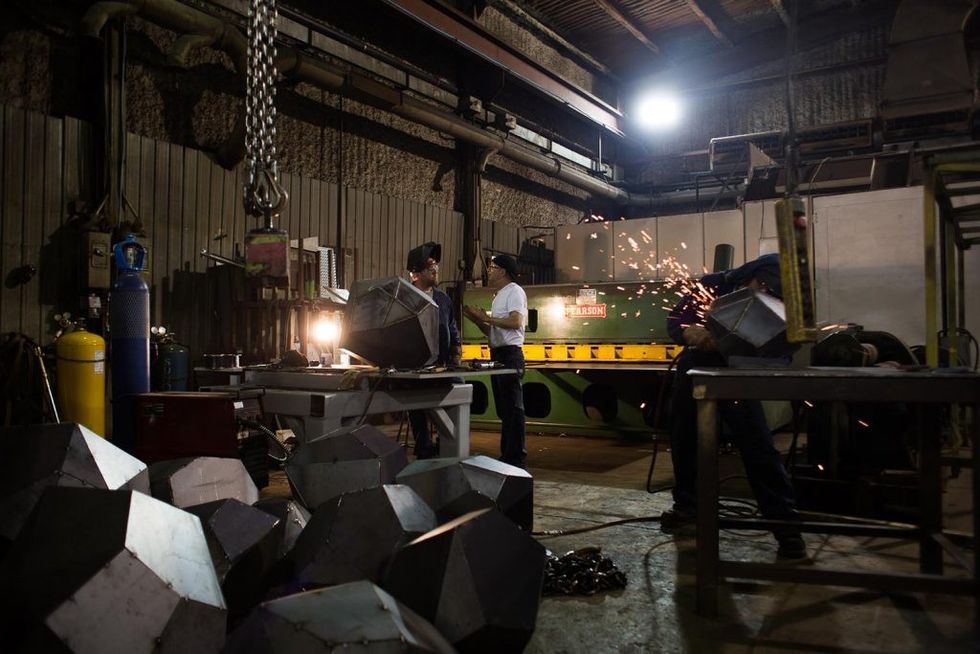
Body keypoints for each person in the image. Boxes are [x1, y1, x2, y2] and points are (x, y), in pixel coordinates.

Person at [663, 253, 807, 560]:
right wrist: (694, 333)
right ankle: (688, 508)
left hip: (737, 377)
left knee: (758, 446)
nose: (767, 295)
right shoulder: (715, 285)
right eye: (764, 287)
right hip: (697, 372)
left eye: (774, 292)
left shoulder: (780, 301)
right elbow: (675, 320)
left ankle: (786, 526)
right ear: (751, 275)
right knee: (687, 442)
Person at [463, 254, 528, 469]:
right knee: (504, 409)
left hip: (510, 355)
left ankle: (516, 458)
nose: (488, 270)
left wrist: (487, 318)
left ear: (502, 271)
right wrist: (476, 320)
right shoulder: (498, 295)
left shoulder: (515, 291)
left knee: (513, 408)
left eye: (492, 267)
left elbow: (516, 321)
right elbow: (493, 329)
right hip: (499, 354)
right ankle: (507, 455)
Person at [406, 241, 462, 459]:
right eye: (430, 267)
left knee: (459, 391)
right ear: (416, 273)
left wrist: (456, 356)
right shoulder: (407, 298)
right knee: (417, 401)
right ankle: (424, 446)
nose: (436, 269)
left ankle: (447, 443)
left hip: (442, 366)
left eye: (436, 266)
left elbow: (452, 329)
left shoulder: (443, 299)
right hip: (415, 366)